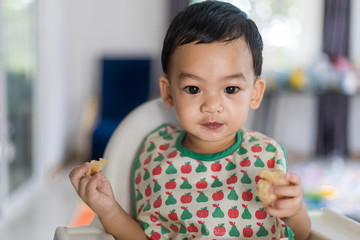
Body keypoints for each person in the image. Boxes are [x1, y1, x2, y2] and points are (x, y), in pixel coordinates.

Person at [69, 1, 311, 239]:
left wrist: (295, 212)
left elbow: (301, 235)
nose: (212, 106)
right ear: (168, 92)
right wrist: (108, 209)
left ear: (255, 93)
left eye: (231, 89)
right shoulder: (156, 154)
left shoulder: (264, 156)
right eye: (193, 89)